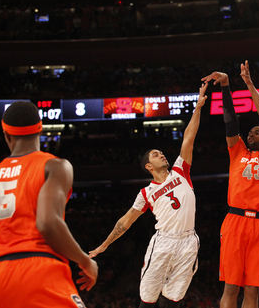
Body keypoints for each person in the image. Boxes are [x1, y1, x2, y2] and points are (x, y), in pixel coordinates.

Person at [89, 82, 208, 308]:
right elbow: (125, 221)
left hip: (189, 241)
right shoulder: (145, 193)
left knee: (173, 298)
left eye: (161, 152)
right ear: (148, 166)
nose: (162, 155)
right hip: (163, 242)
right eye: (156, 154)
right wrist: (104, 245)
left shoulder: (180, 170)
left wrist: (198, 108)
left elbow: (189, 138)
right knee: (148, 298)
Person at [0, 101, 98, 307]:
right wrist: (85, 261)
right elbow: (47, 223)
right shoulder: (55, 166)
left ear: (6, 135)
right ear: (40, 129)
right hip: (39, 269)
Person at [202, 60, 259, 308]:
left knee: (252, 293)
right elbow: (230, 120)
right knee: (230, 289)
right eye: (249, 133)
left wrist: (248, 83)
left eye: (256, 132)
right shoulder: (237, 152)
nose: (251, 134)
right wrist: (225, 86)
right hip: (235, 221)